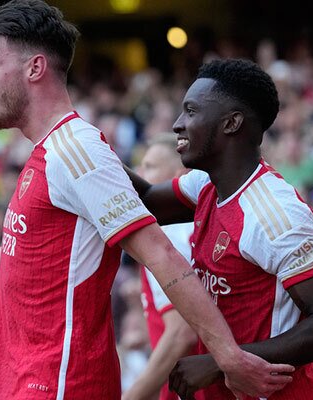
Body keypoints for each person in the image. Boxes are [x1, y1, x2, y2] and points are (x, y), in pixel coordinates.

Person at [0, 2, 293, 399]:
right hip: (27, 382)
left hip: (61, 384)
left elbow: (159, 253)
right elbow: (22, 261)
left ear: (35, 68)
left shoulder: (74, 148)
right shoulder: (49, 151)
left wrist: (228, 356)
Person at [122, 58, 313, 399]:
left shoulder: (275, 213)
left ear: (231, 123)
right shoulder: (206, 184)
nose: (177, 124)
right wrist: (80, 142)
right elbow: (144, 199)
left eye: (190, 111)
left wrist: (221, 363)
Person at [122, 134, 199, 400]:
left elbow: (181, 332)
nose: (140, 175)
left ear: (179, 176)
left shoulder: (168, 234)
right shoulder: (185, 230)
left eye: (150, 167)